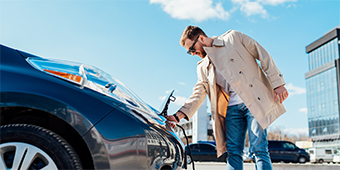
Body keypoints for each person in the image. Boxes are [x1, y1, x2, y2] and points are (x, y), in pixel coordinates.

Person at [167, 26, 289, 170]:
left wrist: (278, 83)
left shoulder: (233, 38)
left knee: (258, 149)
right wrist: (178, 116)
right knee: (233, 153)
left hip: (254, 101)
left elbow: (262, 54)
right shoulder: (202, 66)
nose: (193, 54)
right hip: (231, 109)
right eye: (190, 52)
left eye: (191, 49)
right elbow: (199, 93)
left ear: (201, 38)